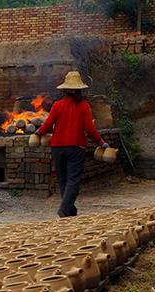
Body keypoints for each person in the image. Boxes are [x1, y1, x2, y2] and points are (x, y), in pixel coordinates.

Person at [36, 71, 109, 218]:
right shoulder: (84, 106)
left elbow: (48, 125)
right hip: (76, 147)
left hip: (57, 147)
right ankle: (64, 208)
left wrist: (38, 132)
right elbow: (89, 128)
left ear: (64, 90)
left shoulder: (57, 105)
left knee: (63, 179)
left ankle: (69, 209)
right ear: (80, 90)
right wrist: (101, 142)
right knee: (73, 179)